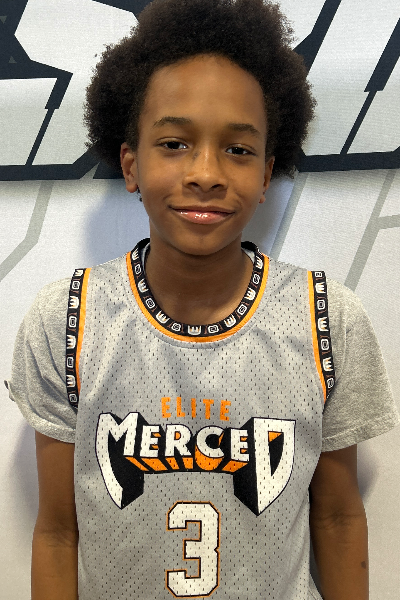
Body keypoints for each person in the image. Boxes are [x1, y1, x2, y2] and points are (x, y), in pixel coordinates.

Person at [7, 0, 399, 599]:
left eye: (238, 150)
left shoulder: (327, 320)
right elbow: (59, 532)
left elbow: (340, 518)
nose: (206, 173)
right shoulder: (67, 321)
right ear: (131, 164)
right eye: (174, 143)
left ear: (266, 174)